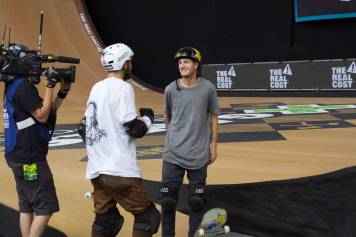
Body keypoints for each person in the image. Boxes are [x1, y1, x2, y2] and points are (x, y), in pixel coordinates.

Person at [78, 43, 160, 237]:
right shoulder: (123, 88)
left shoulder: (96, 88)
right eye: (130, 62)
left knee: (105, 220)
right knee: (147, 218)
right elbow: (134, 129)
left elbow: (83, 128)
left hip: (97, 170)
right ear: (125, 63)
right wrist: (148, 117)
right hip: (119, 170)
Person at [2, 45, 72, 237]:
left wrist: (62, 92)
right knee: (45, 206)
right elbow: (42, 116)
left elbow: (46, 110)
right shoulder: (23, 87)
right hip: (29, 160)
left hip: (18, 157)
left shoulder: (14, 86)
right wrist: (50, 85)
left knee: (27, 205)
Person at [160, 47, 220, 237]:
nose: (182, 65)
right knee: (168, 201)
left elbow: (213, 117)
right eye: (179, 63)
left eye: (186, 62)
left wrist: (213, 146)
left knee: (196, 201)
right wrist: (172, 138)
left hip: (199, 153)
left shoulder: (208, 88)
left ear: (196, 65)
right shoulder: (171, 89)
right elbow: (167, 116)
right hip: (173, 154)